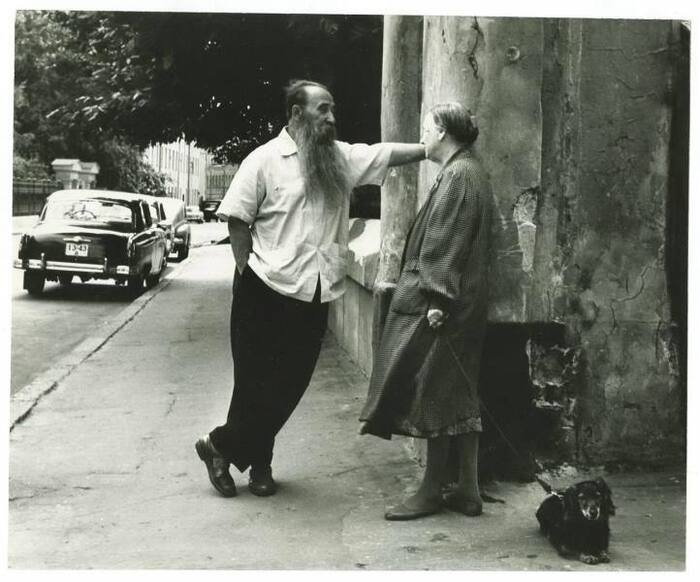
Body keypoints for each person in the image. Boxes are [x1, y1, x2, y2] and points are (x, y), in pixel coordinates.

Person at [195, 80, 425, 498]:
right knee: (254, 385)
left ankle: (219, 445)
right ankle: (259, 465)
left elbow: (385, 153)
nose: (332, 118)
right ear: (297, 114)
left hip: (317, 291)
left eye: (333, 109)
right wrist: (247, 272)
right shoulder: (263, 160)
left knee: (289, 385)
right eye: (323, 110)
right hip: (264, 288)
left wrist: (434, 148)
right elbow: (236, 219)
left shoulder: (339, 159)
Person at [359, 102, 494, 520]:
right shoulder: (466, 170)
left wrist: (438, 299)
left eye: (426, 128)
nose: (422, 136)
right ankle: (469, 490)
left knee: (434, 394)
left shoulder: (458, 176)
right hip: (462, 301)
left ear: (441, 131)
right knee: (459, 393)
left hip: (445, 304)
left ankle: (431, 491)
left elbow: (446, 243)